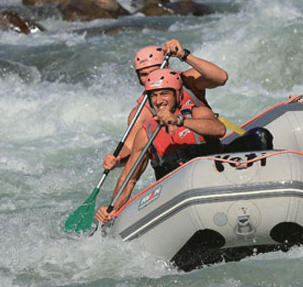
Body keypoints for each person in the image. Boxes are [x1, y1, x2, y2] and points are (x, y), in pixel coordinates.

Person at [96, 68, 227, 222]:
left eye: (164, 94)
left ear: (177, 95)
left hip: (213, 186)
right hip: (176, 199)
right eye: (153, 95)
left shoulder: (199, 113)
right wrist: (112, 209)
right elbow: (128, 179)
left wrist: (180, 121)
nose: (158, 101)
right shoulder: (146, 133)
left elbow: (219, 129)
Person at [107, 39, 228, 172]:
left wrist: (184, 55)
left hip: (209, 150)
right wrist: (117, 159)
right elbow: (130, 146)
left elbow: (221, 78)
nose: (150, 77)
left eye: (154, 70)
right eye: (144, 74)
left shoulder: (188, 81)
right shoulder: (142, 111)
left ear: (167, 66)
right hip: (176, 163)